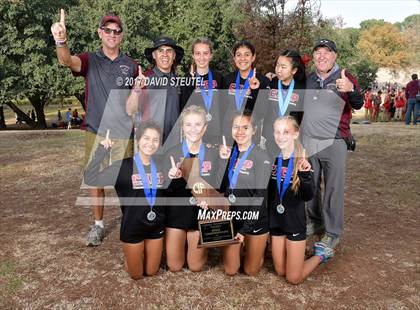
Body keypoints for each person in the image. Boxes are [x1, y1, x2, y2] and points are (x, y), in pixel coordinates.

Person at [51, 10, 138, 246]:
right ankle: (98, 225)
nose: (112, 34)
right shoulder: (90, 59)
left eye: (117, 31)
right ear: (100, 33)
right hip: (96, 131)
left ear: (121, 35)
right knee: (96, 182)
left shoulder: (131, 65)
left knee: (126, 182)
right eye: (107, 30)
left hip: (123, 134)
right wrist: (61, 40)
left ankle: (130, 221)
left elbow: (132, 107)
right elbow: (66, 60)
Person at [301, 39, 363, 249]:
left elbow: (358, 103)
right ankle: (315, 222)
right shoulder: (308, 79)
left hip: (335, 140)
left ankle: (332, 231)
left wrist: (351, 89)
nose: (321, 56)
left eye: (326, 52)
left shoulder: (345, 77)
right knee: (310, 184)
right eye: (317, 52)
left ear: (334, 56)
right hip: (310, 140)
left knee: (333, 188)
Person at [84, 121, 166, 280]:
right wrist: (101, 150)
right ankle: (132, 258)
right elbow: (91, 178)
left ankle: (139, 255)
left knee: (151, 272)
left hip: (156, 226)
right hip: (132, 226)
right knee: (136, 275)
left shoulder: (162, 164)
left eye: (155, 140)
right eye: (146, 138)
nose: (150, 143)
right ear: (138, 138)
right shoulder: (122, 166)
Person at [269, 116, 333, 284]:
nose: (281, 136)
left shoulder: (303, 158)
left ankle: (321, 254)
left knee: (293, 278)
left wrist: (305, 176)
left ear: (296, 134)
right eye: (277, 132)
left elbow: (308, 196)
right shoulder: (270, 157)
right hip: (276, 222)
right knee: (280, 271)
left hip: (294, 223)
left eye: (286, 132)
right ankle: (297, 256)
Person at [164, 105, 218, 272]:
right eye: (188, 124)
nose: (193, 129)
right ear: (182, 127)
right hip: (177, 213)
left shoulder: (213, 154)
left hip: (200, 214)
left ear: (205, 127)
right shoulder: (171, 153)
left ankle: (202, 246)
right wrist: (171, 178)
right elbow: (164, 192)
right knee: (174, 266)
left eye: (197, 124)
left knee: (195, 266)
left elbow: (219, 188)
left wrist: (210, 199)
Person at [219, 111, 271, 276]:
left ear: (254, 130)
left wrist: (245, 229)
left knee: (250, 271)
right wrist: (221, 161)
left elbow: (260, 197)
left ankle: (260, 243)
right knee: (230, 270)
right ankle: (245, 244)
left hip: (254, 219)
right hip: (233, 219)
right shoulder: (228, 153)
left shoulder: (262, 156)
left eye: (245, 127)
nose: (239, 131)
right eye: (236, 127)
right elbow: (221, 188)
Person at [126, 36, 184, 146]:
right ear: (154, 55)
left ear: (174, 55)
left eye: (169, 51)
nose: (165, 55)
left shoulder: (179, 81)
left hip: (174, 144)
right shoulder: (144, 79)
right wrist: (137, 89)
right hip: (150, 144)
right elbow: (130, 110)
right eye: (160, 51)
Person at [222, 40, 270, 145]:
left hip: (250, 135)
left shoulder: (263, 81)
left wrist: (255, 90)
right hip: (230, 133)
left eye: (247, 55)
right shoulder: (227, 80)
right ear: (234, 58)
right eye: (238, 55)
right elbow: (222, 108)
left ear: (253, 57)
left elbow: (263, 112)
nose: (242, 58)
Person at [262, 50, 306, 157]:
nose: (278, 70)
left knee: (287, 171)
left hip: (290, 140)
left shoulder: (302, 87)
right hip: (270, 138)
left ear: (294, 70)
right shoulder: (270, 82)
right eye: (277, 65)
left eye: (283, 67)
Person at [180, 38, 223, 146]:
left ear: (211, 55)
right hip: (194, 134)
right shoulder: (186, 78)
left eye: (205, 53)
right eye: (198, 53)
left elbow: (224, 106)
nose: (202, 57)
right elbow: (183, 107)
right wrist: (190, 87)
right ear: (193, 56)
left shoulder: (219, 77)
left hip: (215, 134)